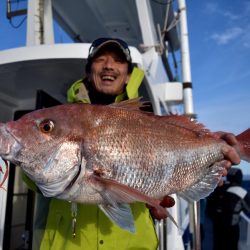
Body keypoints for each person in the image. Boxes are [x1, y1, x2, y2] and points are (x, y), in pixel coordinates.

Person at [28, 37, 241, 250]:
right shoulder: (64, 117)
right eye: (100, 59)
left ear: (129, 75)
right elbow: (34, 179)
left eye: (118, 61)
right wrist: (24, 155)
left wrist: (214, 147)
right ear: (88, 70)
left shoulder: (146, 121)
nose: (109, 66)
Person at [206, 168, 250, 250]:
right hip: (231, 228)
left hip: (218, 226)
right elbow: (248, 208)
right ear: (239, 178)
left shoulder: (218, 189)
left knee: (218, 246)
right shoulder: (241, 192)